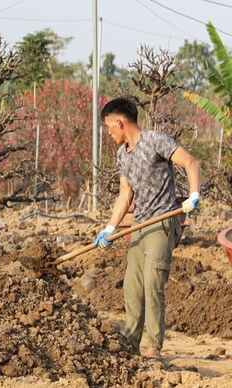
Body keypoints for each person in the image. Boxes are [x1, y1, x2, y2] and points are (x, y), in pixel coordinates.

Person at [94, 98, 201, 360]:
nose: (108, 133)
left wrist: (194, 194)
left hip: (163, 221)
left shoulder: (156, 141)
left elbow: (191, 163)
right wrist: (110, 228)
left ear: (119, 122)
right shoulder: (122, 154)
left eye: (109, 127)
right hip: (140, 225)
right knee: (132, 287)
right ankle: (131, 342)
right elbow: (125, 194)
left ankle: (154, 347)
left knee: (153, 284)